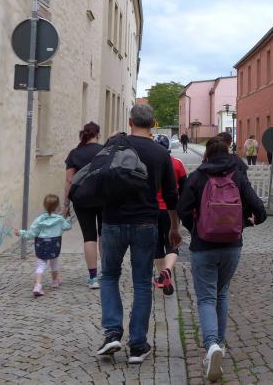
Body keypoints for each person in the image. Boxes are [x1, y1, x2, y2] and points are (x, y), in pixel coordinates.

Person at [177, 136, 267, 382]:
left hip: (203, 246)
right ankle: (220, 343)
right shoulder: (238, 176)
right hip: (232, 246)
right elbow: (260, 210)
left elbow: (182, 209)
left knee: (206, 298)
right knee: (222, 293)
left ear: (206, 154)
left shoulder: (197, 177)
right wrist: (244, 224)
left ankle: (211, 346)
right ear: (228, 153)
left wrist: (195, 228)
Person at [97, 104, 180, 364]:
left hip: (112, 220)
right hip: (146, 222)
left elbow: (99, 176)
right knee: (142, 282)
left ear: (130, 121)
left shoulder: (115, 146)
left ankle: (112, 333)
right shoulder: (160, 153)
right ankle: (137, 344)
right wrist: (174, 227)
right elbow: (171, 196)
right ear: (153, 124)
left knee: (109, 276)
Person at [63, 122, 104, 289]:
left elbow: (69, 181)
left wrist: (66, 204)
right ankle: (106, 273)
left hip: (81, 199)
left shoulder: (74, 153)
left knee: (89, 236)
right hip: (103, 198)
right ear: (98, 135)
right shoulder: (104, 151)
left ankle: (93, 278)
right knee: (104, 234)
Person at [14, 194, 72, 297]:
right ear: (58, 206)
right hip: (55, 245)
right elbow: (67, 227)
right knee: (54, 261)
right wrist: (68, 218)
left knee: (41, 265)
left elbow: (31, 233)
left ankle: (38, 285)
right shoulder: (60, 219)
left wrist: (21, 233)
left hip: (41, 244)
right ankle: (55, 281)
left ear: (44, 206)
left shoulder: (39, 220)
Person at [152, 135, 188, 296]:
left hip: (152, 210)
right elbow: (185, 189)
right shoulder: (177, 164)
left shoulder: (148, 164)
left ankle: (162, 278)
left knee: (157, 245)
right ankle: (167, 270)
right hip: (171, 210)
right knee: (172, 243)